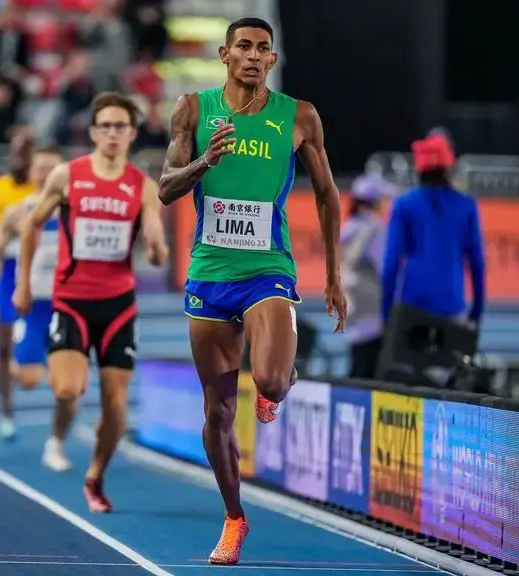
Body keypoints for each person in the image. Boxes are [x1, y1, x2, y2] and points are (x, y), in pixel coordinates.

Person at [156, 17, 348, 566]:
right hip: (210, 273)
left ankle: (277, 383)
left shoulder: (299, 116)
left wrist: (333, 276)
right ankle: (235, 518)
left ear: (272, 60)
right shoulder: (193, 109)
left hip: (268, 268)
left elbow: (329, 194)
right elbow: (167, 189)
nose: (253, 55)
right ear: (224, 54)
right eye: (243, 46)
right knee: (217, 410)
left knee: (266, 378)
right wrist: (203, 162)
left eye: (263, 48)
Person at [13, 91, 169, 513]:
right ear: (94, 131)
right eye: (106, 126)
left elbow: (157, 246)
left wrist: (156, 247)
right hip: (72, 302)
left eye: (121, 126)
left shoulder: (143, 186)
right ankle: (67, 403)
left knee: (115, 405)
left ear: (133, 133)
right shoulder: (67, 176)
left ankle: (95, 474)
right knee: (67, 388)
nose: (113, 133)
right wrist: (23, 285)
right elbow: (31, 227)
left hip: (119, 305)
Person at [381, 133, 486, 376]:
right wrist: (477, 311)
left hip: (413, 303)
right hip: (452, 302)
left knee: (412, 377)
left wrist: (387, 313)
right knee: (449, 378)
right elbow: (478, 263)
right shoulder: (467, 205)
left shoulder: (404, 204)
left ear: (420, 169)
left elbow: (390, 264)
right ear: (448, 167)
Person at [0, 146, 66, 420]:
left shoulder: (75, 209)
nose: (44, 174)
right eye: (39, 168)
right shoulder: (19, 212)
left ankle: (57, 441)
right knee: (29, 380)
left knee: (68, 382)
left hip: (66, 302)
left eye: (50, 168)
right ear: (31, 173)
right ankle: (11, 364)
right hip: (32, 301)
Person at [0, 131, 36, 439]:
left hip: (38, 272)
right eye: (14, 152)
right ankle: (6, 412)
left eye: (24, 153)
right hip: (7, 269)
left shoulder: (41, 187)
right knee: (3, 346)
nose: (18, 159)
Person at [342, 175, 396, 378]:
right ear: (373, 202)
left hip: (354, 306)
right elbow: (385, 270)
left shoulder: (349, 228)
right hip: (373, 312)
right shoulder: (374, 230)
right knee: (371, 372)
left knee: (358, 364)